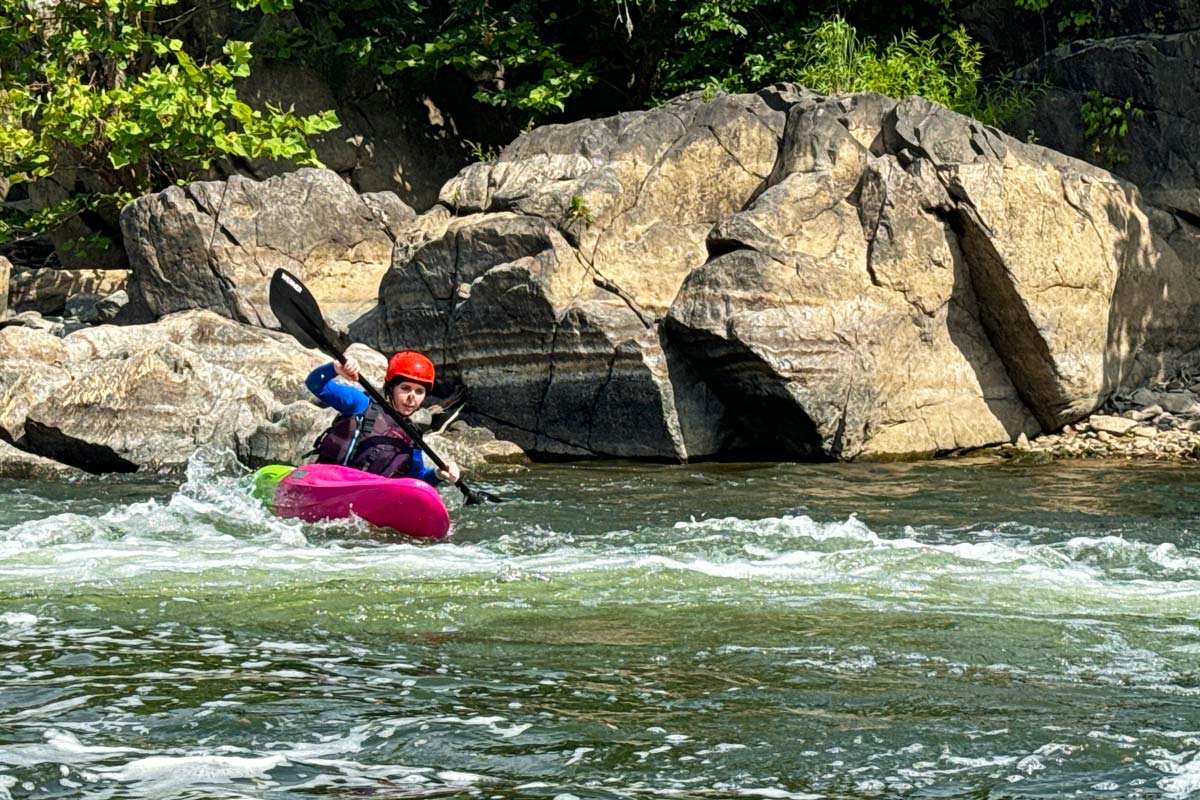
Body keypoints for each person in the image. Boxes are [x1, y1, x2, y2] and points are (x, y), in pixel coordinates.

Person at [305, 350, 461, 486]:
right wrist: (335, 368)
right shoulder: (361, 404)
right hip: (327, 482)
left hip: (363, 497)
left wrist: (438, 475)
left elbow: (417, 479)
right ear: (391, 388)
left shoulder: (412, 437)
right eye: (405, 388)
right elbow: (315, 383)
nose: (412, 397)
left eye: (419, 391)